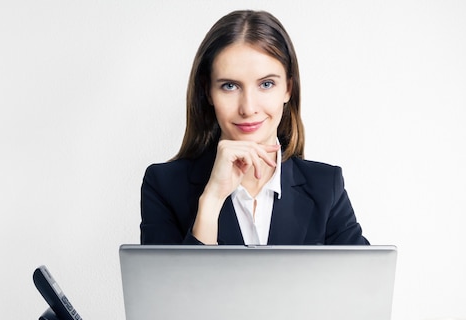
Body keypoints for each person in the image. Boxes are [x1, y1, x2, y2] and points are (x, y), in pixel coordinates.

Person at [140, 10, 368, 245]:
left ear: (288, 88)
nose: (248, 108)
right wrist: (211, 200)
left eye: (266, 84)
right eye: (229, 86)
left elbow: (364, 279)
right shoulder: (164, 185)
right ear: (208, 91)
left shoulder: (325, 186)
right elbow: (170, 282)